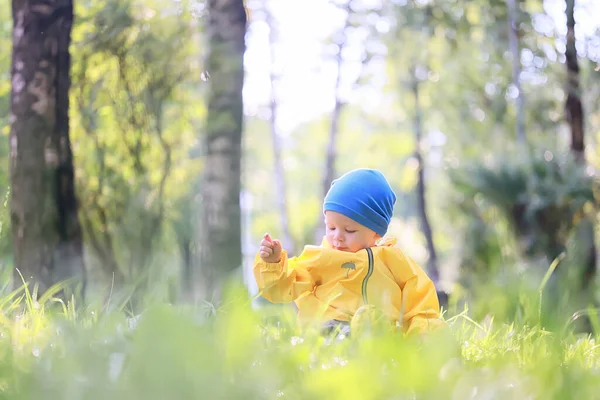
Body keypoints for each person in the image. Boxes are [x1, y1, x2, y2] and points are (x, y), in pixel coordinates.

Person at [253, 168, 443, 335]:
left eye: (349, 230)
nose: (338, 237)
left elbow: (421, 304)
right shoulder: (321, 258)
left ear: (376, 232)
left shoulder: (394, 261)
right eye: (331, 228)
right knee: (331, 332)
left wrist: (422, 334)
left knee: (375, 327)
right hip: (327, 327)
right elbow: (284, 287)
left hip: (378, 333)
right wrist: (273, 263)